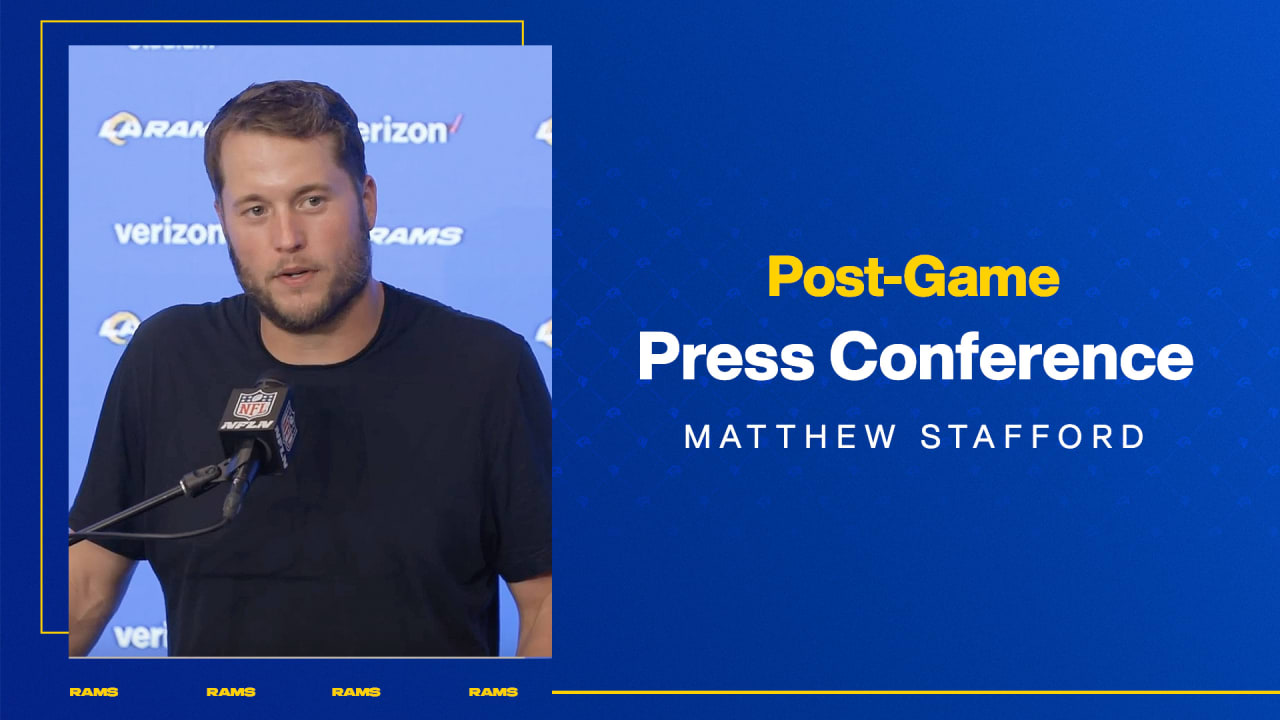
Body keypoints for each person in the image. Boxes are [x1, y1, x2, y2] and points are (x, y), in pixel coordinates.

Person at [68, 81, 552, 657]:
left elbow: (549, 600)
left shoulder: (486, 367)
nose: (286, 239)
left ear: (367, 200)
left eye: (312, 201)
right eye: (255, 210)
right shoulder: (166, 354)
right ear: (221, 219)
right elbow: (87, 580)